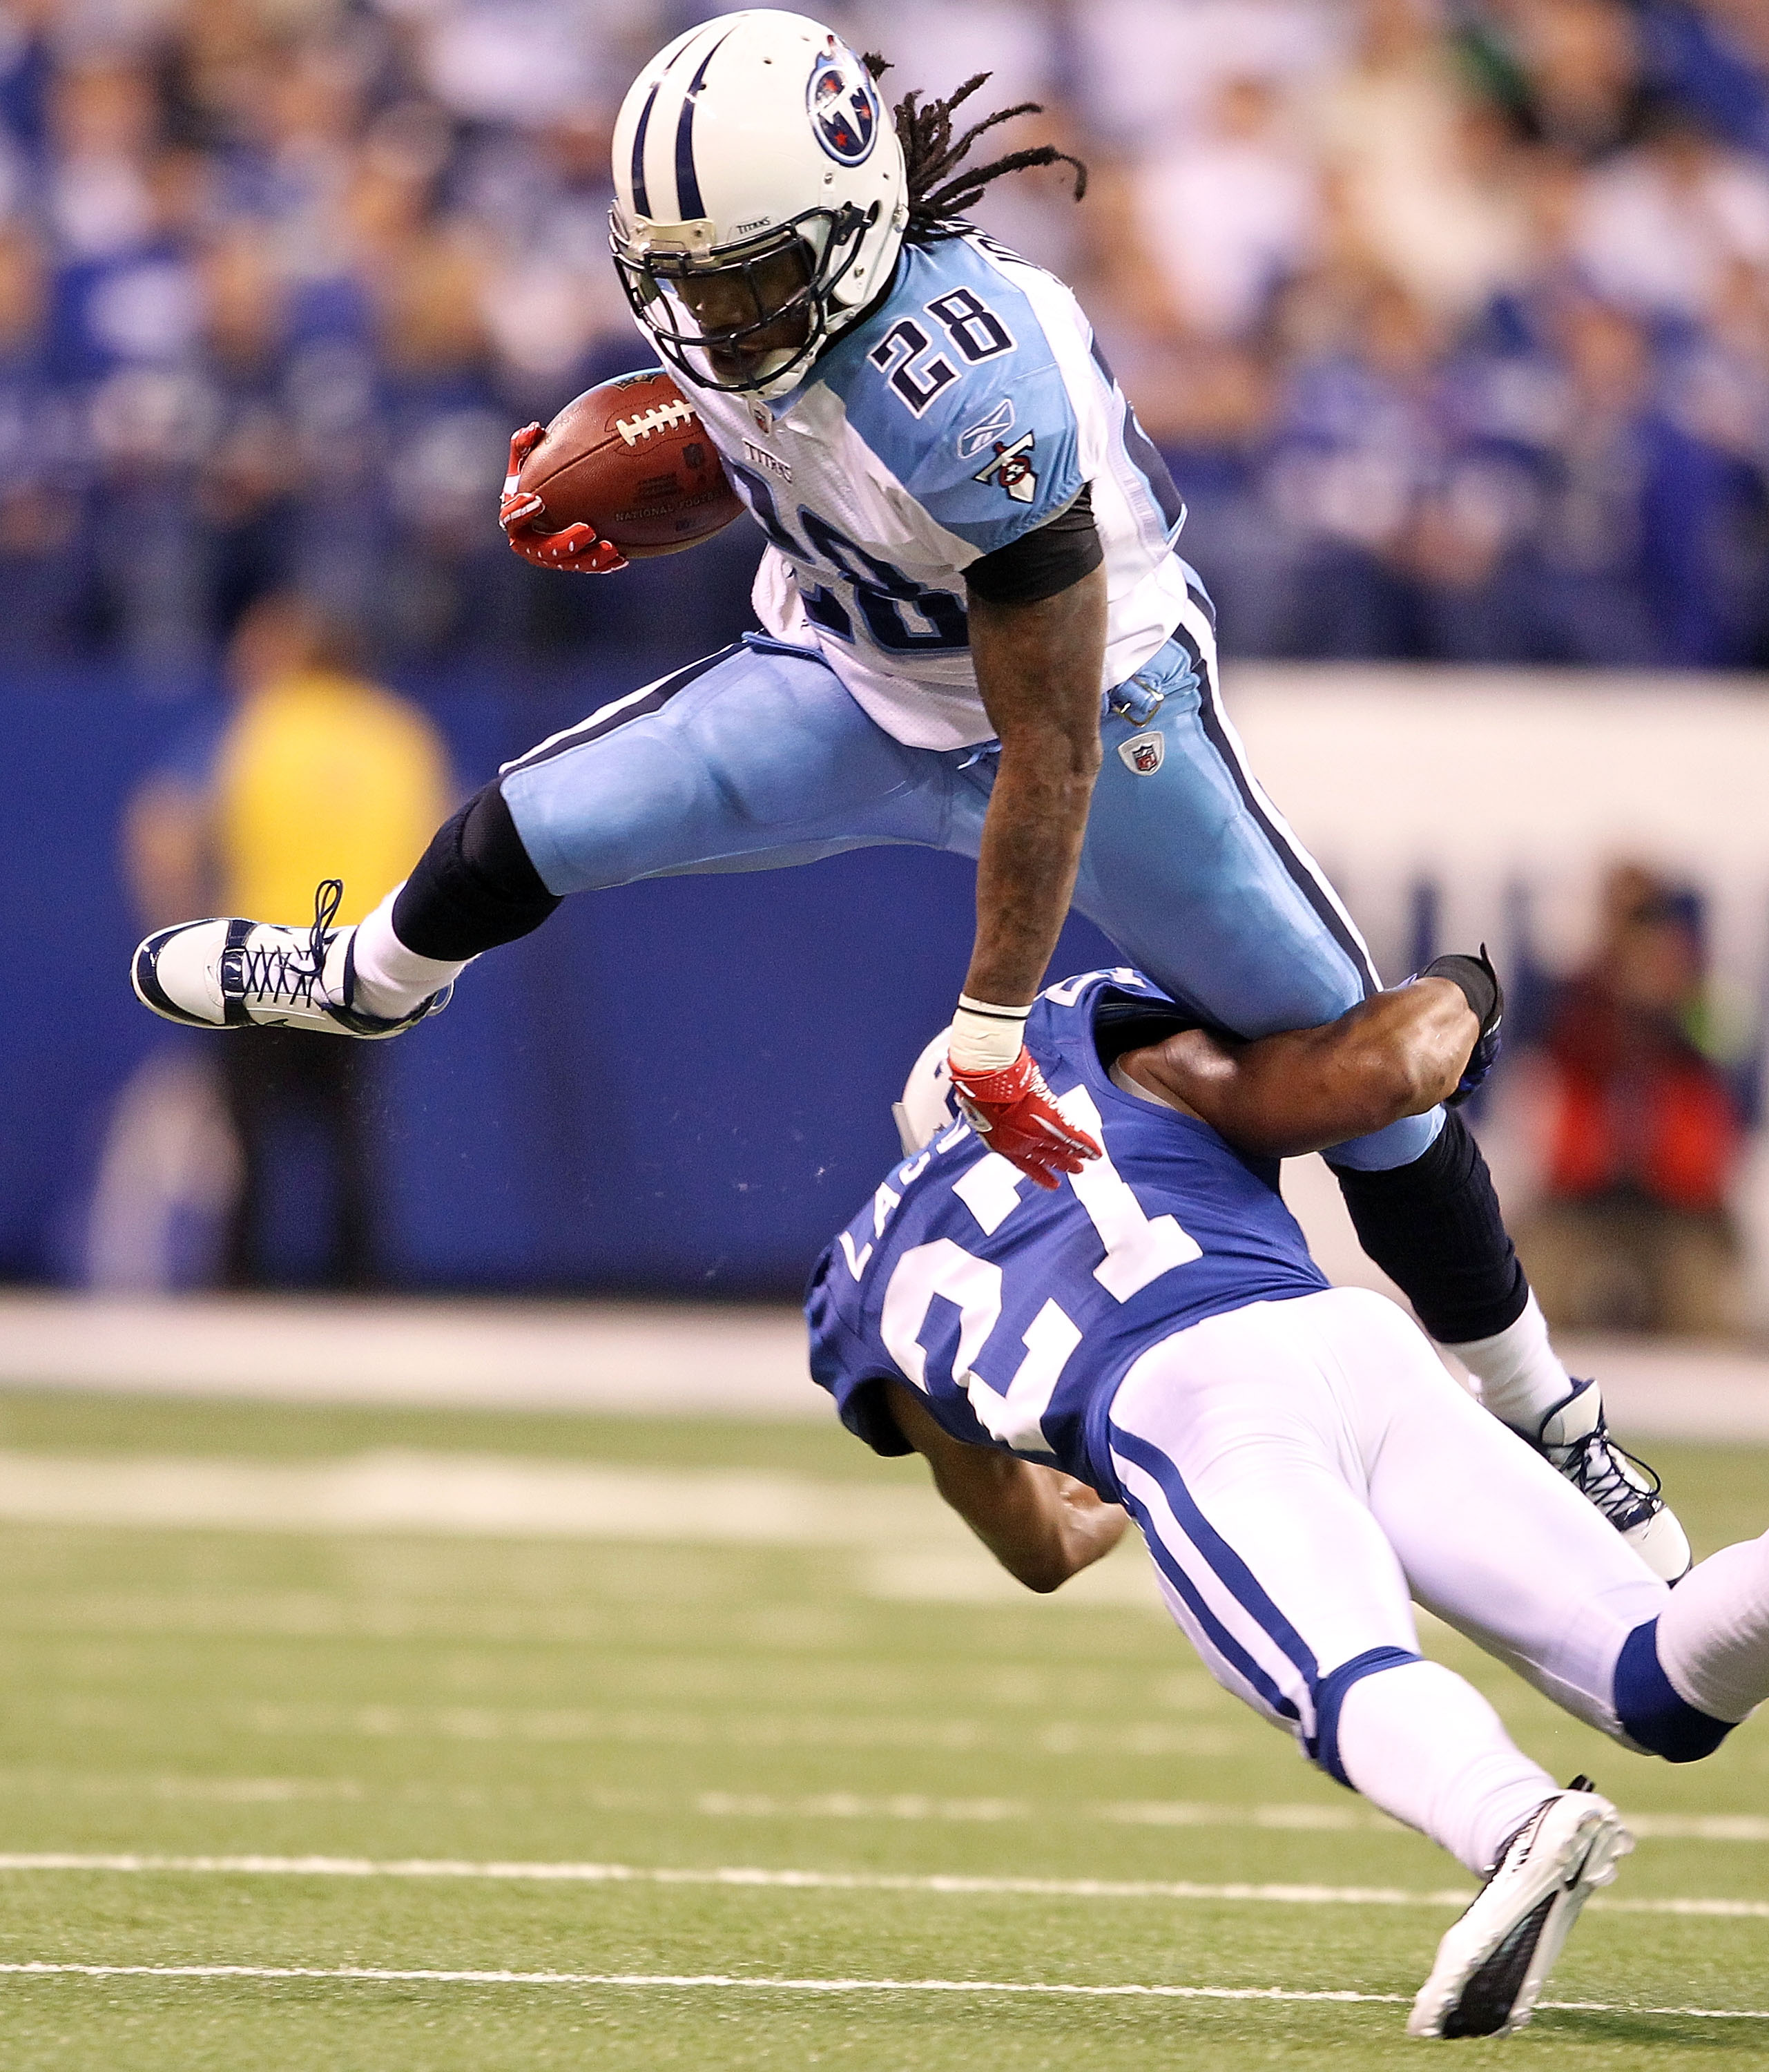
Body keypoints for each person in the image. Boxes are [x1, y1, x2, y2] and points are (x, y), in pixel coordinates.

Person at [130, 10, 1683, 1571]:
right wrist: (643, 490)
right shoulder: (761, 304)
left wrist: (996, 1021)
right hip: (853, 679)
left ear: (852, 226)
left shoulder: (964, 385)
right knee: (546, 817)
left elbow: (1048, 740)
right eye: (685, 281)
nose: (714, 320)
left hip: (1099, 714)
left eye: (748, 282)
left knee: (1366, 1070)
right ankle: (376, 977)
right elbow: (774, 442)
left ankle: (1549, 1415)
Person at [806, 959, 1769, 2038]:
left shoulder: (864, 1278)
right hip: (1352, 1340)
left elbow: (1038, 1547)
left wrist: (1133, 1477)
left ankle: (1517, 1823)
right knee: (1652, 1680)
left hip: (1185, 1404)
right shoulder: (1109, 1049)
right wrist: (1459, 987)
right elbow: (1348, 1083)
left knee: (1341, 1674)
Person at [126, 591, 451, 1285]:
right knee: (351, 1131)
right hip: (362, 957)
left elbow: (160, 827)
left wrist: (181, 928)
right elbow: (446, 844)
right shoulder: (397, 732)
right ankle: (359, 1286)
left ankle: (238, 1285)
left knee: (246, 1135)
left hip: (259, 953)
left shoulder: (258, 725)